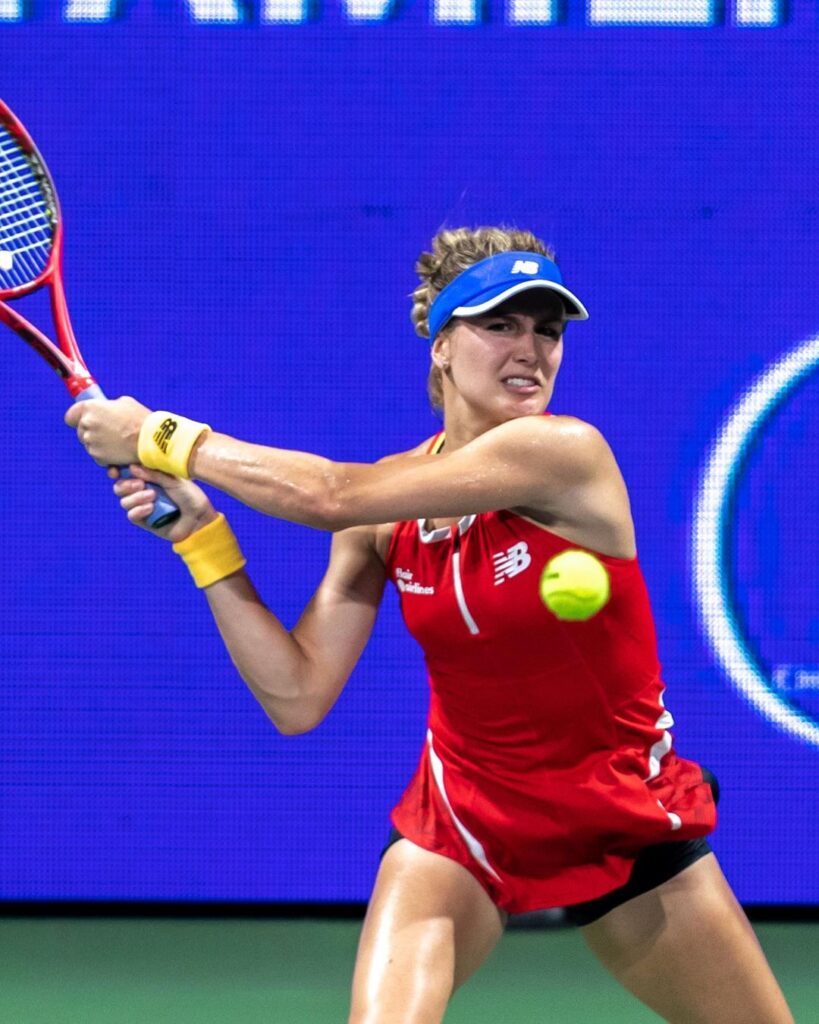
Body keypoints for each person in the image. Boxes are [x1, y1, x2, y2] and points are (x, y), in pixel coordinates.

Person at [66, 227, 794, 1024]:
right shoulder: (389, 510)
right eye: (500, 324)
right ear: (442, 345)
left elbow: (326, 496)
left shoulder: (566, 455)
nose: (531, 349)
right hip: (463, 817)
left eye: (547, 329)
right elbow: (297, 696)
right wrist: (205, 546)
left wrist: (158, 437)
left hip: (619, 813)